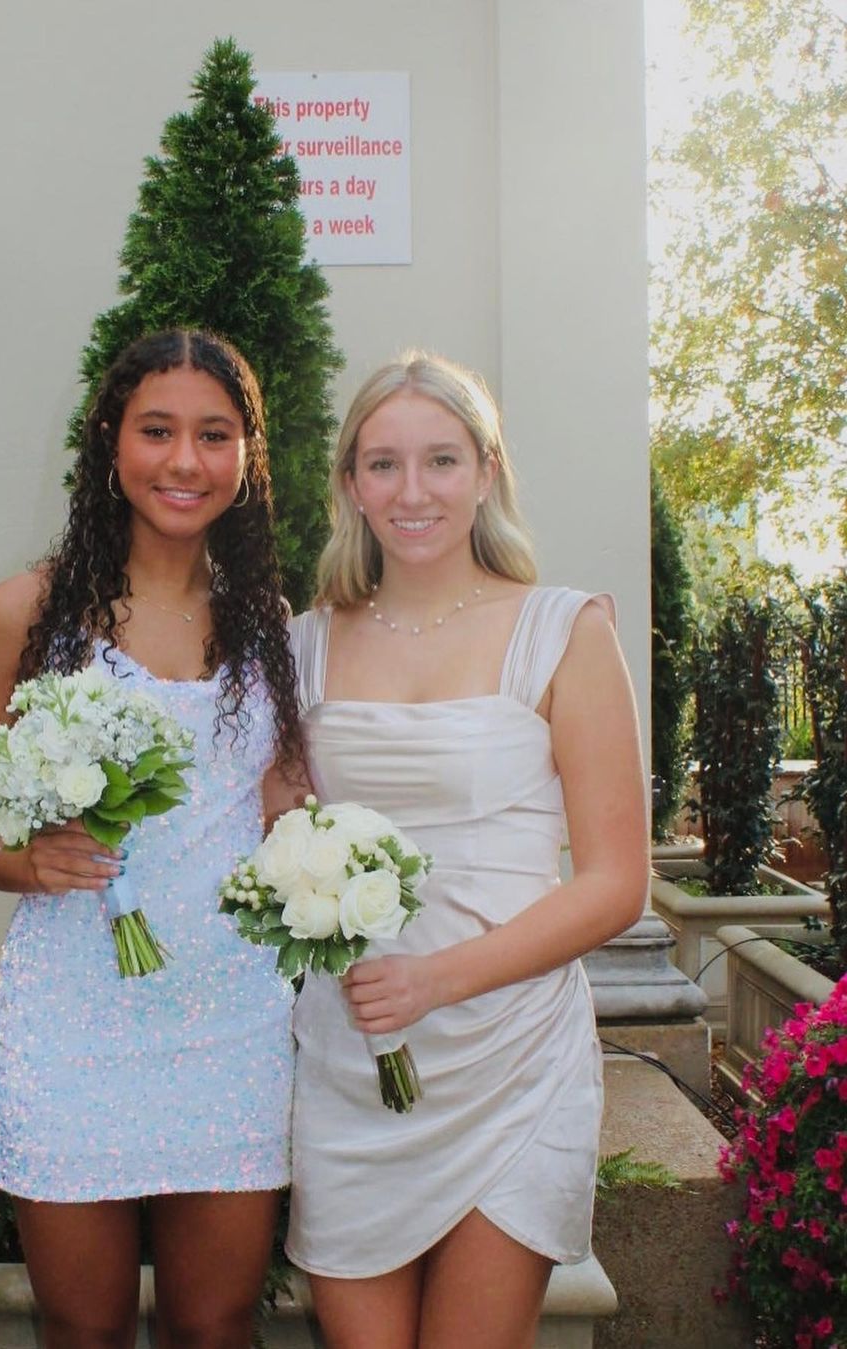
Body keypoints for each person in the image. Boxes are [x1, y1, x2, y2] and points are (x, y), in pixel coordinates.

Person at [0, 329, 303, 1349]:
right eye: (157, 430)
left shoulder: (267, 623)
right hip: (74, 1017)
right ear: (110, 441)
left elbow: (277, 804)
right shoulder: (23, 614)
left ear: (246, 457)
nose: (185, 460)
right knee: (82, 1325)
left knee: (216, 1323)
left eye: (215, 435)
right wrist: (29, 860)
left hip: (230, 1019)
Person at [285, 351, 649, 1349]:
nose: (413, 492)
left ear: (487, 471)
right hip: (352, 1056)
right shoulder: (301, 646)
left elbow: (618, 881)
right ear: (351, 483)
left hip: (511, 1053)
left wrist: (435, 980)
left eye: (441, 460)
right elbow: (274, 837)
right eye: (384, 464)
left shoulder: (564, 631)